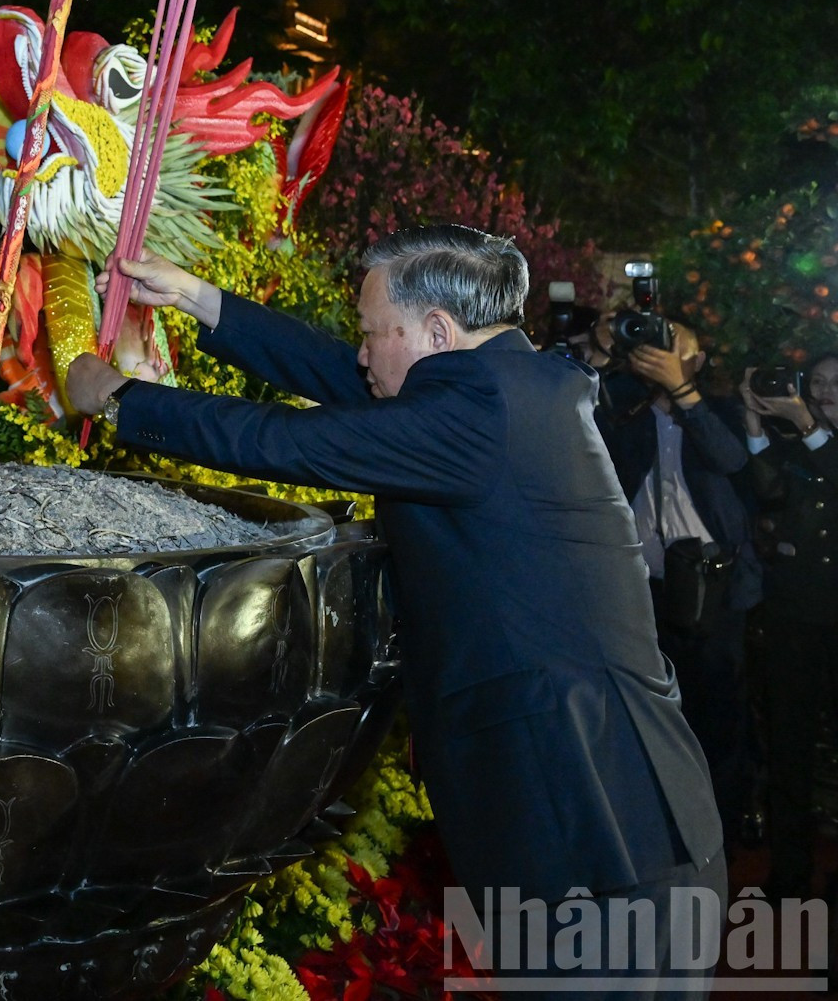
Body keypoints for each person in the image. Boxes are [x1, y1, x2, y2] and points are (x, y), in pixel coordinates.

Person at [67, 226, 724, 995]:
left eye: (373, 332)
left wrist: (121, 400)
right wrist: (199, 301)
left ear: (438, 333)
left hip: (595, 834)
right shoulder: (506, 387)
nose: (359, 352)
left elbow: (294, 441)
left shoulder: (477, 411)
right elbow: (339, 376)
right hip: (606, 824)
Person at [590, 314, 761, 830]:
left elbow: (731, 460)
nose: (660, 353)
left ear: (699, 361)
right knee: (652, 718)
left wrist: (684, 393)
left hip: (713, 587)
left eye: (674, 346)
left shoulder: (723, 411)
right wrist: (602, 357)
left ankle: (724, 833)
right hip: (644, 590)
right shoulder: (626, 409)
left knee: (718, 718)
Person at [741, 354, 838, 900]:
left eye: (834, 385)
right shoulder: (797, 446)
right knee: (789, 746)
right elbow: (768, 491)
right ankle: (790, 872)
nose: (823, 394)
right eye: (816, 384)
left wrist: (804, 424)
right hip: (794, 615)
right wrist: (757, 424)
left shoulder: (819, 443)